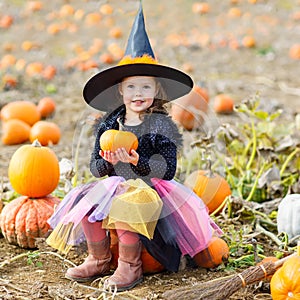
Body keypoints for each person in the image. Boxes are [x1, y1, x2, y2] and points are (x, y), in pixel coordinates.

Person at [46, 4, 223, 292]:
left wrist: (139, 160)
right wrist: (106, 161)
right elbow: (95, 166)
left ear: (157, 91)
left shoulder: (161, 126)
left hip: (149, 189)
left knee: (131, 203)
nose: (137, 94)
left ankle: (130, 266)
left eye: (145, 87)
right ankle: (99, 258)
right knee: (87, 201)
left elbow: (168, 169)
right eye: (131, 87)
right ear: (120, 91)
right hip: (115, 185)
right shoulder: (109, 125)